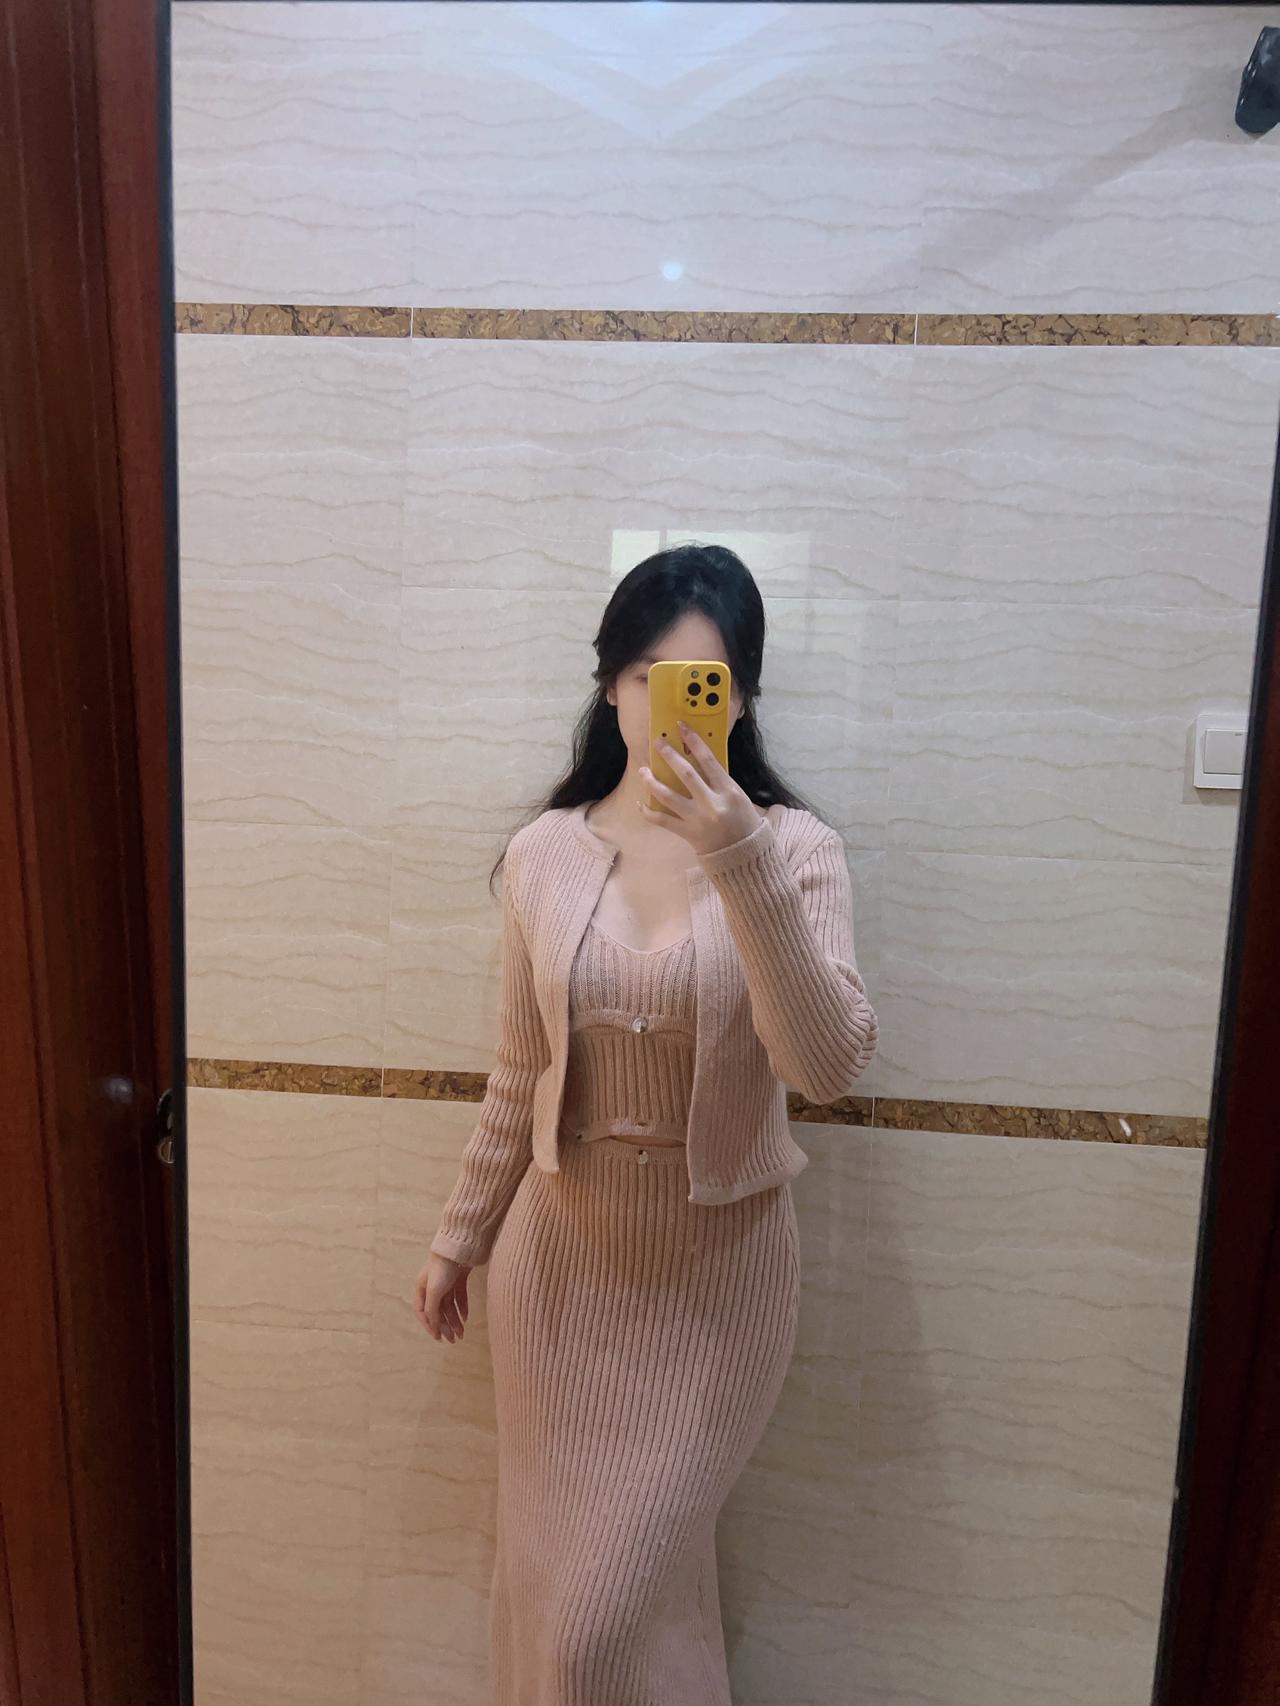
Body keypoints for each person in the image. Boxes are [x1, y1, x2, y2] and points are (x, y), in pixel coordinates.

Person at [413, 542, 877, 1704]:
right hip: (557, 1274)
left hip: (717, 1288)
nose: (668, 707)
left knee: (599, 1623)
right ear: (609, 686)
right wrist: (459, 1235)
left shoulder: (796, 850)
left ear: (741, 699)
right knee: (554, 1592)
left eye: (702, 685)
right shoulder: (543, 853)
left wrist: (739, 855)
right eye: (645, 678)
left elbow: (823, 1065)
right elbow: (519, 1068)